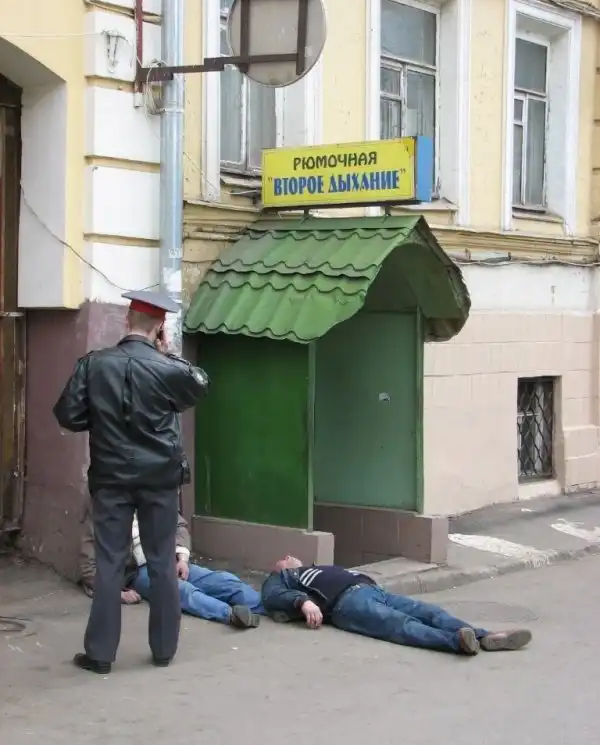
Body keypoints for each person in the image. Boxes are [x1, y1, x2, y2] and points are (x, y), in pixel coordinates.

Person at [53, 289, 209, 675]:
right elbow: (199, 385)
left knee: (109, 562)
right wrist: (169, 353)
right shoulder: (168, 368)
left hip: (110, 479)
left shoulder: (93, 364)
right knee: (161, 560)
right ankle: (163, 650)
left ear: (127, 319)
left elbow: (68, 415)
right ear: (160, 327)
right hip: (159, 480)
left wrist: (100, 418)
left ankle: (100, 655)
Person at [262, 556, 533, 656]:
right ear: (279, 568)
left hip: (373, 591)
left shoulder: (315, 569)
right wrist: (303, 601)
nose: (288, 556)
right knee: (401, 625)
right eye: (283, 558)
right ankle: (457, 642)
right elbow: (271, 596)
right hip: (347, 603)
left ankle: (485, 637)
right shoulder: (283, 578)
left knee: (429, 612)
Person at [79, 495, 262, 628]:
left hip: (168, 557)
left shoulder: (153, 493)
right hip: (138, 571)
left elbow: (178, 525)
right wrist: (116, 593)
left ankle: (268, 605)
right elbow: (88, 565)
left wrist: (182, 558)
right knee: (180, 591)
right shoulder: (101, 506)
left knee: (221, 580)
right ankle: (231, 615)